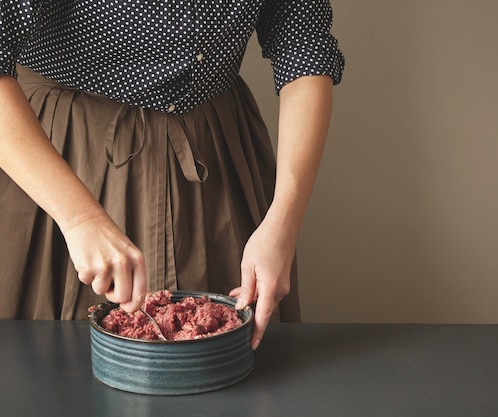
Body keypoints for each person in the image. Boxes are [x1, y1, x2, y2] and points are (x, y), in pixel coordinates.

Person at [0, 0, 344, 350]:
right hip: (59, 158)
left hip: (216, 159)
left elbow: (304, 46)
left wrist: (283, 223)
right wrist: (78, 218)